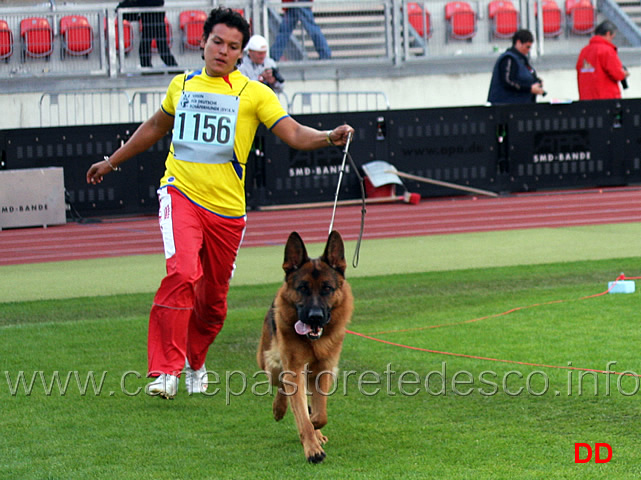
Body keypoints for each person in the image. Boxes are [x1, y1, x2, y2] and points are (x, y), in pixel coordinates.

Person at [86, 7, 354, 400]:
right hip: (181, 194)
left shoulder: (254, 93)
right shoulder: (182, 85)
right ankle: (166, 370)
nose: (223, 51)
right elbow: (155, 127)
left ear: (241, 53)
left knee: (213, 304)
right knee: (181, 275)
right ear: (203, 42)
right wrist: (111, 162)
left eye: (233, 46)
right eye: (217, 42)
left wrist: (329, 136)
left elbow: (294, 133)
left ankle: (196, 360)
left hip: (227, 213)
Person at [487, 29, 545, 104]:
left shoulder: (522, 60)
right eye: (527, 47)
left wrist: (536, 82)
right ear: (518, 42)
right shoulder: (509, 59)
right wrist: (529, 89)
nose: (528, 50)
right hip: (507, 105)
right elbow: (507, 82)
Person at [576, 20, 630, 100]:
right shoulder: (607, 50)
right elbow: (617, 74)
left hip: (586, 101)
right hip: (606, 101)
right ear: (608, 33)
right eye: (612, 37)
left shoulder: (584, 51)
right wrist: (624, 73)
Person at [116, 0, 178, 68]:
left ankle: (148, 66)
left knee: (150, 44)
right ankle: (171, 65)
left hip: (151, 16)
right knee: (158, 44)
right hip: (152, 16)